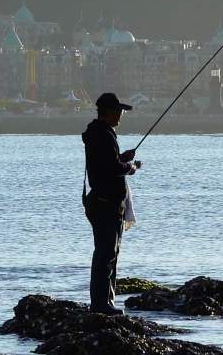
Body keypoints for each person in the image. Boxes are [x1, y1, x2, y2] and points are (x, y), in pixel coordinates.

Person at [82, 92, 141, 315]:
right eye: (118, 111)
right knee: (106, 255)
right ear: (108, 112)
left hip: (102, 202)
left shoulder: (99, 134)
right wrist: (129, 167)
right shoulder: (104, 135)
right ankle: (100, 304)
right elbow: (111, 168)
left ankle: (107, 301)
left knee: (109, 254)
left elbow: (107, 163)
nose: (121, 115)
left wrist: (121, 158)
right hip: (106, 204)